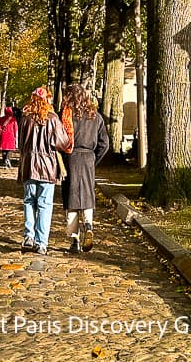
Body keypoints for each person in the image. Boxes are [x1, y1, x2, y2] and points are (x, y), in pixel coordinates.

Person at [17, 86, 70, 255]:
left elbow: (20, 143)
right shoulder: (53, 119)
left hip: (29, 164)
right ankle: (41, 242)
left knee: (29, 201)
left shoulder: (25, 118)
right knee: (45, 205)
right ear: (47, 99)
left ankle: (28, 236)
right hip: (47, 166)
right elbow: (63, 142)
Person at [59, 83, 110, 253]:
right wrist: (94, 160)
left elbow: (58, 140)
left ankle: (74, 240)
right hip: (88, 158)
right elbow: (105, 144)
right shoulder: (96, 116)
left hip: (70, 158)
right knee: (87, 195)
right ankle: (88, 225)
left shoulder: (65, 115)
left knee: (71, 199)